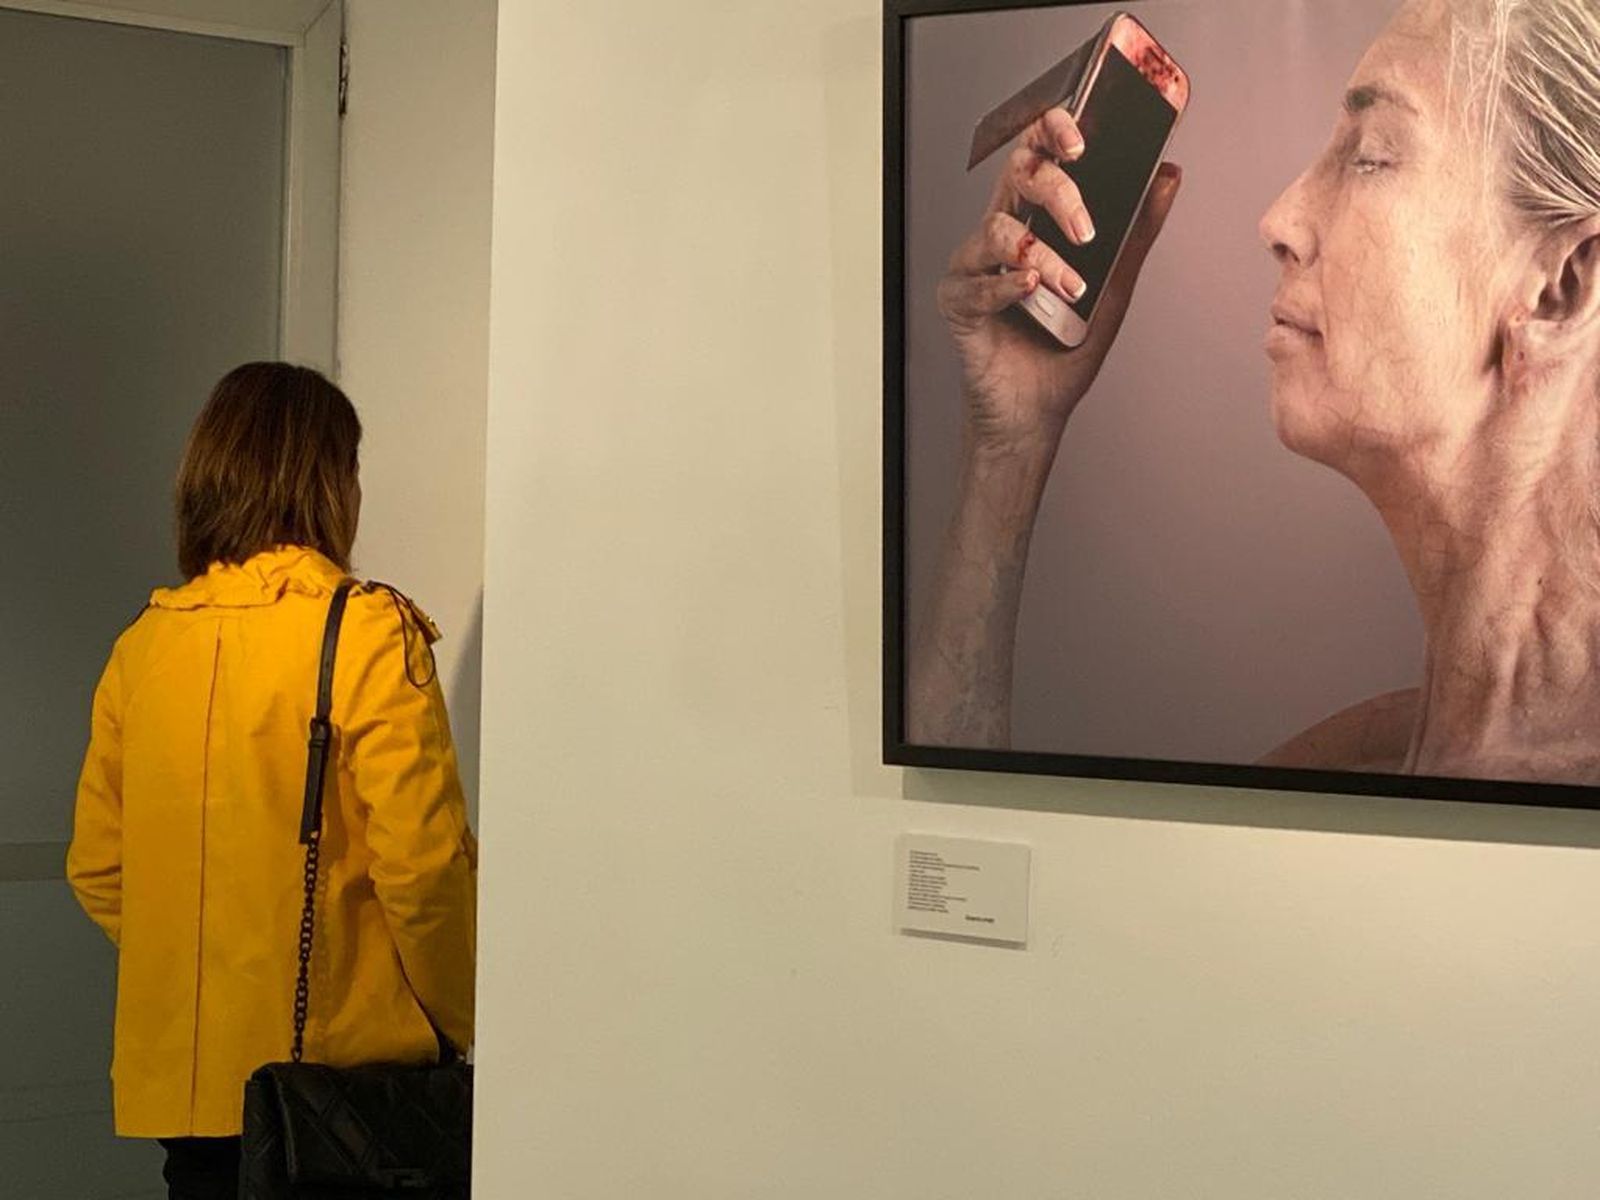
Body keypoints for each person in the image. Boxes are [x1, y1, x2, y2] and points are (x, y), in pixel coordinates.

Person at [910, 0, 1600, 785]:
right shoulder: (1358, 757)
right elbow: (948, 837)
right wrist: (1013, 441)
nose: (1279, 218)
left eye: (1371, 156)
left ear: (1561, 288)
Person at [65, 362, 478, 1199]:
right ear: (329, 478)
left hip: (188, 1099)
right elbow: (424, 868)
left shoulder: (143, 648)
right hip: (343, 1096)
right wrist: (467, 1019)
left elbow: (100, 870)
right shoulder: (364, 631)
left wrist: (206, 970)